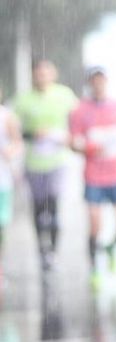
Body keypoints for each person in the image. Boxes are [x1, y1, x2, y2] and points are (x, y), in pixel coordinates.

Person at [69, 67, 116, 289]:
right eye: (94, 80)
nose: (98, 84)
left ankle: (111, 248)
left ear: (107, 82)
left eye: (102, 80)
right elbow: (72, 141)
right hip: (94, 178)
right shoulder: (80, 111)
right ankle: (94, 270)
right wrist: (88, 148)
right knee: (95, 227)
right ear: (90, 83)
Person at [12, 59, 78, 269]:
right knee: (39, 208)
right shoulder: (23, 100)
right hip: (33, 163)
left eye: (46, 72)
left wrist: (69, 137)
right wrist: (32, 134)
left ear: (53, 74)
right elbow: (12, 130)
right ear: (33, 75)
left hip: (58, 161)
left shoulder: (65, 95)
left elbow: (77, 121)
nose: (42, 76)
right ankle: (42, 249)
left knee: (55, 204)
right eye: (38, 73)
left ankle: (54, 251)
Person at [0, 88, 22, 289]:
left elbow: (18, 143)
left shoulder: (7, 117)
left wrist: (11, 151)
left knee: (1, 226)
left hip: (2, 182)